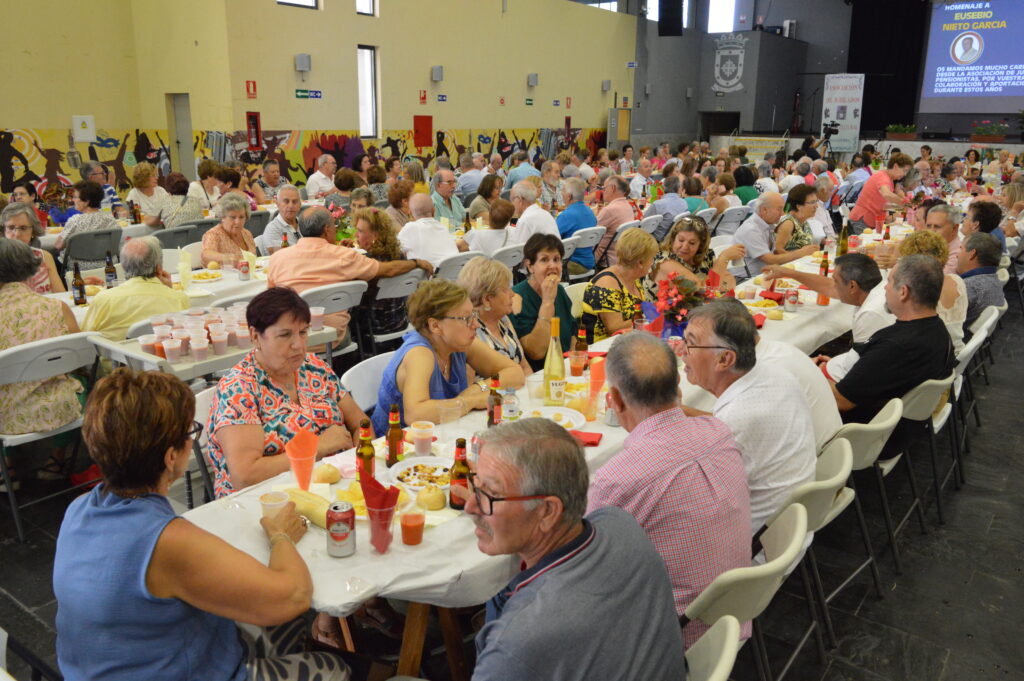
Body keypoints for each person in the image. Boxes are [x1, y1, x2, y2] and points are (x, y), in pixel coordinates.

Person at [54, 368, 349, 681]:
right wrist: (280, 536)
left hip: (88, 671)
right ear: (171, 457)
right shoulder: (167, 541)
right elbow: (295, 596)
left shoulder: (80, 509)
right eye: (190, 433)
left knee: (261, 624)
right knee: (335, 669)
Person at [468, 419, 687, 680]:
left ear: (548, 511)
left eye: (490, 494)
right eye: (475, 485)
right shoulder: (620, 523)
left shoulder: (514, 643)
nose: (471, 506)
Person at [588, 332, 750, 647]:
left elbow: (591, 576)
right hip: (734, 615)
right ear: (678, 386)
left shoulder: (617, 479)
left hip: (668, 640)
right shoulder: (718, 431)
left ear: (615, 400)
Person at [208, 287, 367, 496]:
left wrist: (361, 463)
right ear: (255, 336)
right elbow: (245, 476)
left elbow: (361, 424)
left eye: (303, 332)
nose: (298, 345)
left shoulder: (313, 367)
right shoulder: (239, 388)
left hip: (333, 485)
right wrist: (317, 447)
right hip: (267, 501)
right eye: (285, 335)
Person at [679, 300, 816, 534]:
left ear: (725, 359)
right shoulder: (773, 373)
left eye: (690, 344)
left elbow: (693, 500)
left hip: (755, 545)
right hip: (789, 524)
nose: (682, 352)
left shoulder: (738, 418)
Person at [371, 279, 524, 432]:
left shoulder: (459, 343)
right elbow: (415, 414)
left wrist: (477, 389)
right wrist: (469, 402)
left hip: (440, 433)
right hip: (395, 446)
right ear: (435, 326)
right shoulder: (419, 354)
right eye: (466, 318)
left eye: (474, 315)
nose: (475, 324)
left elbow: (515, 373)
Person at [268, 206, 430, 337]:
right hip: (335, 336)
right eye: (334, 226)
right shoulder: (347, 257)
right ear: (326, 230)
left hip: (291, 335)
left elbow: (271, 299)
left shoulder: (277, 258)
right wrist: (416, 262)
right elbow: (387, 269)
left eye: (359, 231)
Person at [830, 255, 955, 424]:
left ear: (903, 292)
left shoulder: (895, 345)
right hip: (902, 426)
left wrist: (809, 371)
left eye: (888, 282)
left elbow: (841, 400)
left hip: (863, 432)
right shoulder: (939, 330)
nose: (884, 289)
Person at [0, 239, 82, 492]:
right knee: (84, 379)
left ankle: (6, 468)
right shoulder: (56, 307)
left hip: (7, 418)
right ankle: (57, 459)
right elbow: (80, 359)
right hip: (65, 408)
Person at [83, 237, 189, 341]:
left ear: (123, 266)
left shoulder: (104, 299)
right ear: (159, 268)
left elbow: (84, 338)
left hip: (118, 358)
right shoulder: (179, 299)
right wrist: (169, 290)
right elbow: (184, 334)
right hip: (161, 356)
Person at [353, 206, 427, 339]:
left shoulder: (367, 262)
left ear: (375, 235)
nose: (355, 235)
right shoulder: (399, 256)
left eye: (360, 231)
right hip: (399, 321)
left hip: (371, 325)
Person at [510, 234, 577, 370]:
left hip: (565, 367)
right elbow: (536, 353)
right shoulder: (516, 298)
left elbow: (572, 334)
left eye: (556, 259)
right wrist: (547, 302)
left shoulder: (560, 291)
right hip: (539, 373)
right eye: (544, 260)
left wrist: (573, 363)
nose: (552, 266)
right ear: (530, 266)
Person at [458, 256, 532, 373]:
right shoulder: (469, 330)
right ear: (487, 299)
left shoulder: (503, 319)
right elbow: (475, 385)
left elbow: (524, 366)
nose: (512, 294)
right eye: (505, 289)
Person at [582, 228, 657, 342]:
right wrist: (650, 317)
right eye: (651, 259)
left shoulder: (633, 278)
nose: (652, 262)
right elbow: (613, 328)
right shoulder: (607, 284)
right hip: (601, 348)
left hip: (627, 341)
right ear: (640, 263)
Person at [645, 216, 744, 299]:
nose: (684, 247)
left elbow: (730, 280)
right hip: (663, 318)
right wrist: (723, 258)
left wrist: (712, 285)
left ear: (700, 245)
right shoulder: (664, 261)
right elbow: (701, 291)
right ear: (672, 239)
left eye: (692, 243)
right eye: (681, 240)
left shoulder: (704, 256)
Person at [733, 192, 817, 275]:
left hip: (765, 274)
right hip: (745, 280)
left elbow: (776, 252)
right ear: (764, 210)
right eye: (779, 209)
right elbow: (770, 260)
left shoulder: (768, 225)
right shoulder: (751, 230)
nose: (782, 214)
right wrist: (801, 253)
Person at [55, 181, 119, 270]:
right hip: (109, 265)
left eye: (75, 197)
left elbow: (58, 245)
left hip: (80, 269)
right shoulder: (110, 219)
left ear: (86, 202)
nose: (72, 200)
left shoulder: (75, 220)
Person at [1, 203, 62, 293]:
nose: (17, 234)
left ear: (33, 231)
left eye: (23, 228)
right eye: (11, 227)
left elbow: (61, 294)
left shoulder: (45, 257)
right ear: (3, 231)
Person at [849, 153, 913, 233]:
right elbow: (886, 194)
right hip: (861, 221)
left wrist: (901, 209)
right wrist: (904, 203)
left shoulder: (889, 179)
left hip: (870, 222)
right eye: (904, 170)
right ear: (895, 166)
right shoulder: (883, 177)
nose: (905, 174)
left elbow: (883, 205)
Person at [956, 232, 1005, 330]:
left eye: (961, 248)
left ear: (972, 254)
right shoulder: (994, 279)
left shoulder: (967, 288)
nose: (957, 255)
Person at [398, 193, 462, 266]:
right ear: (434, 211)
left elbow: (394, 252)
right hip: (454, 272)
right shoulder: (443, 227)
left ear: (410, 213)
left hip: (429, 275)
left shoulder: (409, 228)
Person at [200, 193, 257, 267]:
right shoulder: (213, 234)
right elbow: (206, 255)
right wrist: (226, 258)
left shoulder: (247, 233)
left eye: (241, 217)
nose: (237, 222)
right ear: (223, 217)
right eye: (233, 217)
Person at [556, 177, 598, 274]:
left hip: (572, 263)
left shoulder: (566, 216)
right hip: (590, 261)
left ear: (569, 196)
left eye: (563, 190)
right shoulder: (590, 212)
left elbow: (551, 238)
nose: (561, 193)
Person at [595, 175, 636, 266]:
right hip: (621, 256)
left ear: (612, 188)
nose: (603, 191)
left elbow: (593, 236)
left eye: (604, 188)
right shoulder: (628, 205)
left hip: (606, 259)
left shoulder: (609, 210)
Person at [507, 181, 558, 245]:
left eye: (512, 199)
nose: (512, 204)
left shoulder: (525, 221)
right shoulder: (546, 214)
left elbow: (519, 252)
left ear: (519, 200)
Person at [775, 184, 818, 253]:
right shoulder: (788, 223)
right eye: (812, 202)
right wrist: (800, 254)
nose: (816, 206)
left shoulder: (803, 220)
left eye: (816, 201)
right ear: (799, 206)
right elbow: (778, 251)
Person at [126, 162, 171, 226]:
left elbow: (169, 211)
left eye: (156, 175)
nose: (157, 178)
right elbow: (136, 218)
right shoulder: (133, 194)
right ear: (143, 178)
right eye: (153, 176)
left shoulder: (160, 190)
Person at [263, 184, 302, 252]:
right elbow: (279, 256)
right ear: (277, 203)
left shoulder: (304, 224)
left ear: (300, 205)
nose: (290, 205)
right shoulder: (272, 229)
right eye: (286, 201)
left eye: (295, 201)